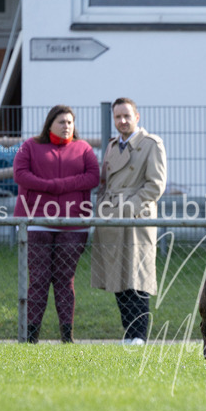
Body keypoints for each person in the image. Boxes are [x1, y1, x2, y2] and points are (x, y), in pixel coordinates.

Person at [14, 105, 100, 343]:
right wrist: (52, 186)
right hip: (36, 224)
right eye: (61, 122)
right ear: (49, 123)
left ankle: (67, 336)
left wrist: (60, 185)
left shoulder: (83, 149)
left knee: (65, 280)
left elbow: (94, 176)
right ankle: (30, 336)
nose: (66, 126)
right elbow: (20, 174)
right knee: (39, 280)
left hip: (73, 225)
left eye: (70, 122)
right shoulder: (30, 146)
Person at [91, 98, 167, 345]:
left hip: (136, 219)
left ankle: (139, 336)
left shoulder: (151, 144)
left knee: (137, 276)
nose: (122, 121)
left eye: (126, 116)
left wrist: (128, 208)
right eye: (117, 117)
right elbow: (105, 183)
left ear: (137, 116)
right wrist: (101, 210)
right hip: (112, 219)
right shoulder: (113, 146)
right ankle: (128, 334)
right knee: (117, 277)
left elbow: (155, 185)